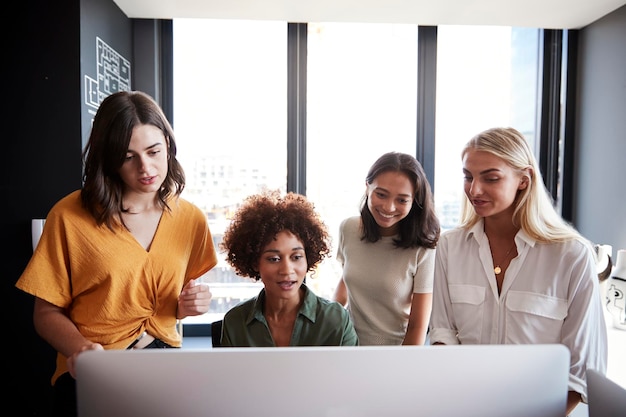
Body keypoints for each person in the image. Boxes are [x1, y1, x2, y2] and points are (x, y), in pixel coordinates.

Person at [15, 90, 218, 417]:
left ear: (168, 143)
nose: (146, 167)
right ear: (109, 159)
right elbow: (45, 314)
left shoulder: (190, 218)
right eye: (128, 157)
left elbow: (171, 304)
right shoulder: (69, 216)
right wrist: (81, 349)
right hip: (94, 369)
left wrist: (191, 304)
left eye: (154, 151)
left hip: (165, 371)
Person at [429, 127, 608, 416]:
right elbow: (443, 335)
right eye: (468, 176)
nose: (474, 189)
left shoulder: (571, 255)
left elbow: (582, 368)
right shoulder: (450, 247)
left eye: (491, 178)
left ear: (523, 180)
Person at [218, 190, 358, 347]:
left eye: (296, 257)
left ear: (308, 258)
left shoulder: (336, 320)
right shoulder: (236, 322)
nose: (286, 270)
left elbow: (351, 372)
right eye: (274, 259)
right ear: (255, 263)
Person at [332, 152, 440, 345]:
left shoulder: (424, 248)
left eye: (402, 200)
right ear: (367, 188)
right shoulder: (348, 228)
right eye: (381, 194)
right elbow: (345, 283)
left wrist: (400, 367)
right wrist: (328, 327)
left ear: (414, 201)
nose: (389, 207)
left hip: (393, 353)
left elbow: (417, 326)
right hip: (347, 347)